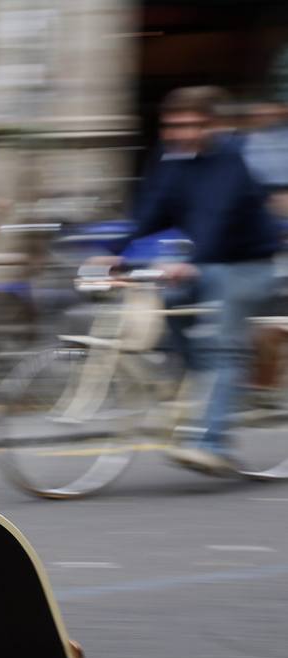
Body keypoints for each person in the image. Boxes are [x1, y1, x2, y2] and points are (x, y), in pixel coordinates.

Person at [92, 86, 280, 475]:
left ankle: (210, 442)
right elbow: (151, 210)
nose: (180, 133)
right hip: (206, 260)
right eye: (172, 126)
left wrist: (191, 261)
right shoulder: (173, 159)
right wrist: (114, 250)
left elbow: (217, 212)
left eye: (191, 125)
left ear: (213, 126)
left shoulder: (233, 158)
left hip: (249, 264)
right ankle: (207, 389)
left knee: (221, 345)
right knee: (171, 302)